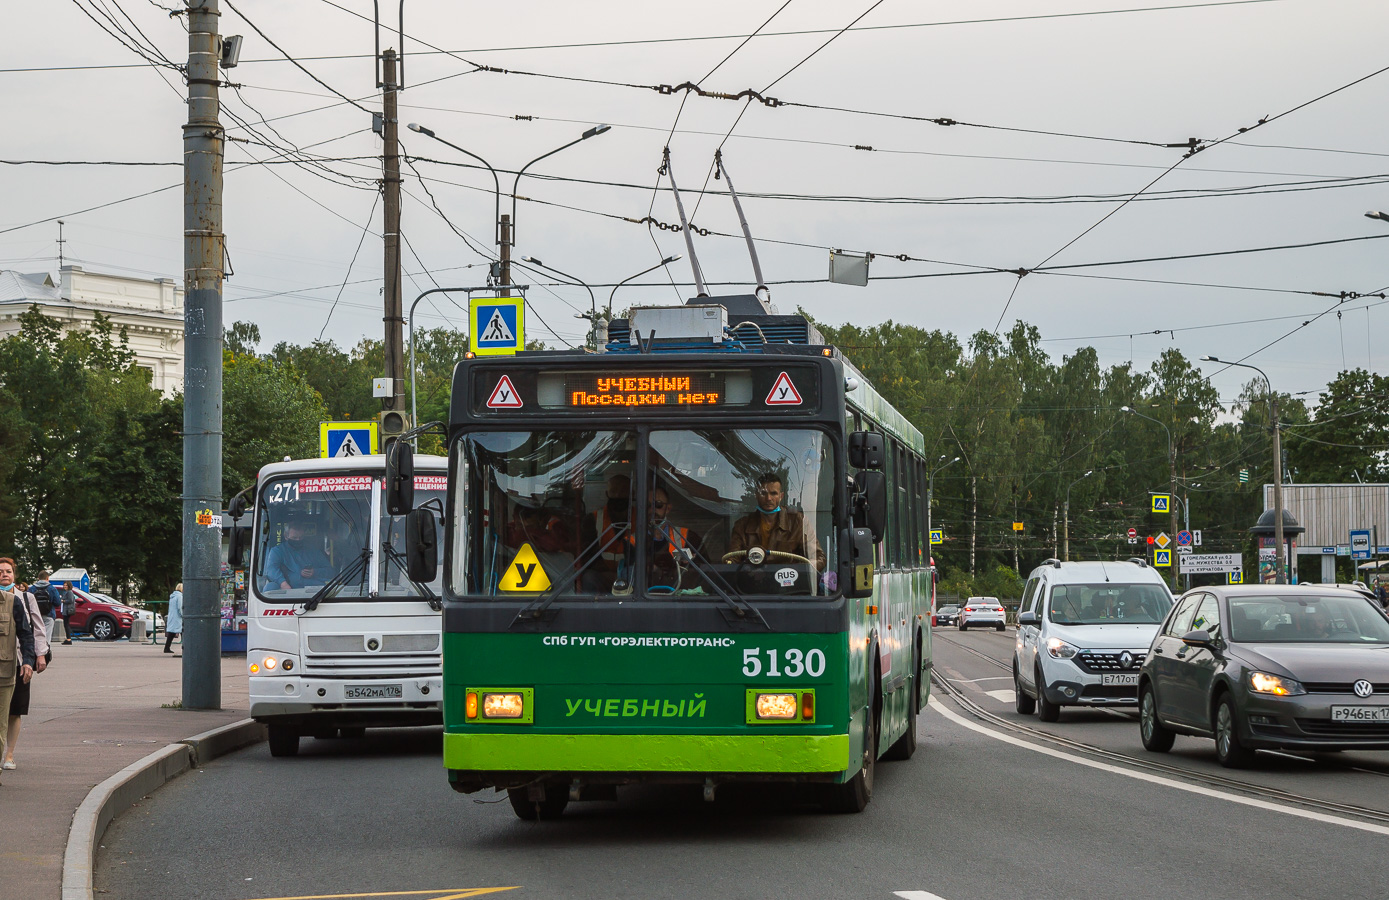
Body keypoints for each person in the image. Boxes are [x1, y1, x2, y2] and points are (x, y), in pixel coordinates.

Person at [728, 472, 826, 571]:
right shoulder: (742, 525)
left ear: (781, 496)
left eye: (773, 493)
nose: (768, 498)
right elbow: (731, 560)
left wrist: (797, 570)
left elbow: (819, 558)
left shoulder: (798, 521)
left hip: (788, 583)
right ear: (756, 495)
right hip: (753, 582)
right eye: (763, 493)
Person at [3, 559, 48, 770]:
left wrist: (39, 656)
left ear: (14, 574)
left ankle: (9, 755)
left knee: (15, 710)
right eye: (0, 571)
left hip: (20, 661)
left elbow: (35, 629)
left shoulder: (26, 598)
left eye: (8, 571)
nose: (4, 575)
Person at [0, 567, 37, 785]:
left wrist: (28, 662)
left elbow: (26, 634)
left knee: (2, 723)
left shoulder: (12, 602)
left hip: (4, 675)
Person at [645, 485, 703, 592]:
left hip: (679, 599)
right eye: (648, 505)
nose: (652, 510)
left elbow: (703, 574)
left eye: (658, 504)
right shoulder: (631, 541)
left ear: (668, 508)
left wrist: (688, 564)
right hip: (644, 598)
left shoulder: (689, 538)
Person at [581, 474, 633, 591]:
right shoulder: (592, 519)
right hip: (603, 575)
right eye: (614, 491)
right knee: (588, 577)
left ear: (632, 494)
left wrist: (625, 572)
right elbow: (586, 555)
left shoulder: (642, 519)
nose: (618, 495)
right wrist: (608, 572)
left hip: (634, 578)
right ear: (606, 494)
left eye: (623, 491)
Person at [263, 520, 334, 591]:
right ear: (286, 536)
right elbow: (271, 570)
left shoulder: (313, 551)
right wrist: (283, 583)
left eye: (301, 537)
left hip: (313, 590)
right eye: (294, 538)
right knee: (270, 588)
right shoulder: (277, 551)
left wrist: (314, 572)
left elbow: (330, 571)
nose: (298, 540)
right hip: (288, 589)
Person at [164, 583, 183, 653]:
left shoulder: (172, 596)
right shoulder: (180, 597)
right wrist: (183, 615)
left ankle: (166, 647)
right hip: (178, 617)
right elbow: (180, 607)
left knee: (171, 633)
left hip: (172, 616)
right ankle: (185, 647)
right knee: (184, 631)